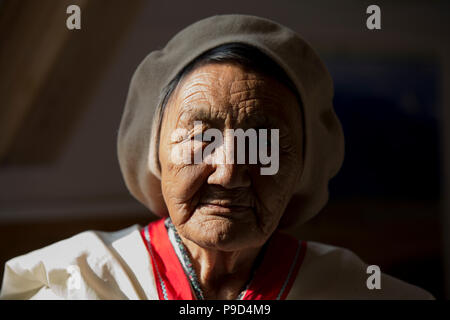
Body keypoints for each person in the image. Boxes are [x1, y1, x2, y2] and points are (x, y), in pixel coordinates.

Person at [0, 14, 433, 300]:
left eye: (264, 142)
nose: (229, 173)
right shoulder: (78, 285)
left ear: (304, 166)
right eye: (201, 139)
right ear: (154, 153)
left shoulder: (354, 291)